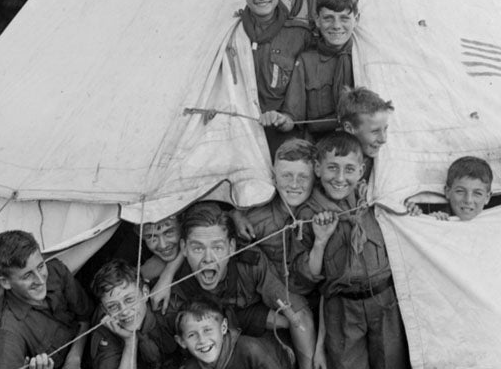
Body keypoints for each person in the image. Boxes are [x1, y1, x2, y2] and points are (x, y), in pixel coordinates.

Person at [292, 132, 408, 369]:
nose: (340, 178)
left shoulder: (376, 201)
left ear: (362, 170)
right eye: (332, 168)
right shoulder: (308, 215)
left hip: (385, 303)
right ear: (317, 168)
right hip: (341, 310)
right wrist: (320, 241)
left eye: (349, 169)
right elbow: (306, 279)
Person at [166, 202, 316, 369]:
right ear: (183, 248)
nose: (208, 258)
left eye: (217, 247)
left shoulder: (250, 264)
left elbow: (299, 315)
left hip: (256, 340)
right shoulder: (175, 283)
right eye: (198, 249)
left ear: (231, 247)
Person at [0, 230, 91, 369]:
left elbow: (85, 317)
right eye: (27, 276)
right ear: (5, 282)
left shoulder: (56, 271)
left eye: (41, 266)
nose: (40, 279)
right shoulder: (7, 333)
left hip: (85, 346)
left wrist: (74, 358)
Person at [237, 0, 314, 155]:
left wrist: (284, 119)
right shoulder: (233, 34)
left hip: (284, 140)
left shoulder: (300, 36)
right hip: (239, 137)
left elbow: (303, 95)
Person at [265, 0, 360, 139]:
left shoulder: (362, 57)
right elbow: (293, 117)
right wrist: (281, 120)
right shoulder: (306, 61)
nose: (336, 26)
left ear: (356, 18)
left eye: (344, 18)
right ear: (317, 19)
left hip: (356, 146)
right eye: (328, 18)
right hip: (319, 146)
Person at [239, 138, 316, 282]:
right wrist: (235, 214)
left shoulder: (320, 214)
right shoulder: (255, 219)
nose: (294, 185)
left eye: (303, 177)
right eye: (286, 176)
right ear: (274, 178)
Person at [87, 259, 181, 369]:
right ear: (105, 310)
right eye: (113, 306)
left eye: (129, 300)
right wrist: (130, 342)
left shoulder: (169, 309)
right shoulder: (105, 334)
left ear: (145, 293)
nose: (125, 311)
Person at [175, 299, 292, 369]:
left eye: (207, 330)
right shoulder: (191, 367)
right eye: (192, 335)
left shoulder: (250, 350)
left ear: (224, 327)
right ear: (182, 342)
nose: (202, 340)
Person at [407, 156, 494, 221]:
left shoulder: (496, 219)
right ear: (448, 192)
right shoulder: (441, 216)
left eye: (477, 193)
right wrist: (429, 221)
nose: (468, 200)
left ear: (487, 198)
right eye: (460, 191)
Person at [337, 87, 394, 183]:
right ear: (349, 128)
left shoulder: (379, 160)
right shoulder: (332, 160)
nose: (383, 139)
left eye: (385, 129)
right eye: (375, 131)